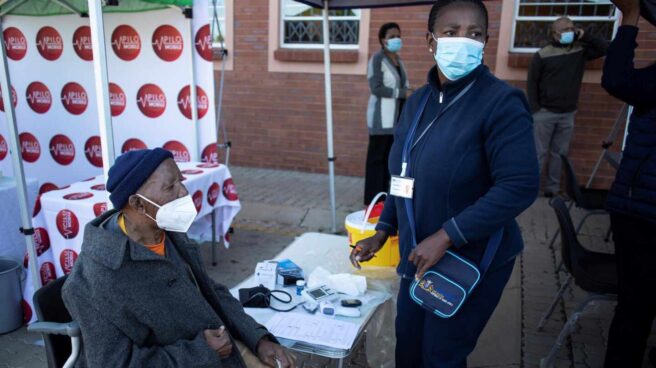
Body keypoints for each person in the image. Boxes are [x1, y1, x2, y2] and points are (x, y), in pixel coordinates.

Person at [350, 0, 539, 366]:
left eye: (475, 34)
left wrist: (446, 235)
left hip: (468, 259)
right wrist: (383, 229)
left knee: (440, 355)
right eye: (452, 32)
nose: (463, 41)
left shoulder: (501, 103)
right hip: (418, 258)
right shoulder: (418, 102)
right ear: (431, 41)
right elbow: (401, 175)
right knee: (408, 346)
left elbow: (519, 184)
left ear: (485, 42)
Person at [62, 148, 295, 368]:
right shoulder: (93, 281)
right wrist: (201, 352)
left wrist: (258, 338)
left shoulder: (166, 231)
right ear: (137, 203)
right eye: (170, 186)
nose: (183, 192)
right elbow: (113, 364)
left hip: (220, 347)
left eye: (180, 181)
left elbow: (211, 292)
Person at [601, 0, 656, 366]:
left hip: (639, 208)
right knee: (635, 310)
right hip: (641, 214)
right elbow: (618, 80)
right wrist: (631, 18)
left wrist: (633, 17)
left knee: (635, 311)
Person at [527, 16, 608, 197]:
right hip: (544, 113)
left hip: (567, 113)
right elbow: (532, 83)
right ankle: (530, 190)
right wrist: (535, 110)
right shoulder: (543, 54)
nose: (568, 33)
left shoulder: (579, 50)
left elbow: (605, 48)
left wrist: (585, 35)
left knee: (559, 154)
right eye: (564, 30)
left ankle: (552, 189)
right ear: (555, 33)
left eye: (571, 29)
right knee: (539, 154)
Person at [365, 22, 410, 205]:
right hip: (381, 119)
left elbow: (403, 86)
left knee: (390, 162)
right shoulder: (377, 59)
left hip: (397, 120)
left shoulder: (399, 61)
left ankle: (385, 202)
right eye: (392, 36)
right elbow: (375, 88)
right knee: (376, 161)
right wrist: (401, 93)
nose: (396, 39)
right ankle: (371, 202)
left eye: (398, 35)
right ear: (383, 40)